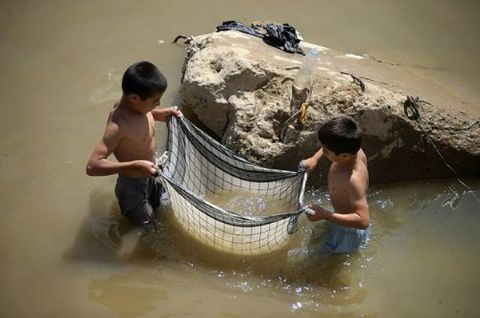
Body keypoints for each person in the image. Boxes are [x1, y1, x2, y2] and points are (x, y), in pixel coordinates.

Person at [86, 61, 182, 226]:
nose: (158, 103)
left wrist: (158, 114)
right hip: (133, 187)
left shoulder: (137, 106)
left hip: (152, 173)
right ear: (134, 98)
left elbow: (143, 113)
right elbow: (92, 166)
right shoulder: (118, 125)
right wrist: (136, 165)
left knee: (166, 212)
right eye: (155, 101)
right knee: (147, 227)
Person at [299, 115, 370, 253]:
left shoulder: (353, 180)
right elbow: (331, 145)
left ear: (344, 156)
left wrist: (325, 214)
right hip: (338, 220)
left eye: (326, 151)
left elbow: (363, 221)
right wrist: (315, 158)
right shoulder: (353, 149)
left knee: (324, 264)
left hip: (349, 233)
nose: (323, 151)